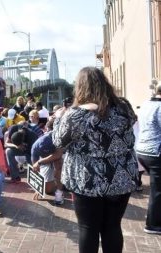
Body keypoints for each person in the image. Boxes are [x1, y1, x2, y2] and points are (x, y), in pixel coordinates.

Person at [52, 67, 138, 253]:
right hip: (121, 177)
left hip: (88, 181)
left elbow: (58, 141)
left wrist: (59, 118)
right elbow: (131, 120)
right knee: (113, 227)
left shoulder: (76, 115)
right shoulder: (124, 107)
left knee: (88, 228)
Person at [135, 83, 161, 234]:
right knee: (158, 190)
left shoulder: (146, 104)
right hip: (156, 153)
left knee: (157, 189)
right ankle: (153, 224)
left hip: (143, 151)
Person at [31, 119, 64, 204]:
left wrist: (40, 162)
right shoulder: (35, 148)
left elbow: (58, 155)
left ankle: (59, 193)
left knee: (58, 166)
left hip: (61, 154)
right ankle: (55, 182)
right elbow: (35, 170)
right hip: (45, 160)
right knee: (48, 190)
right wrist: (38, 187)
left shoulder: (58, 138)